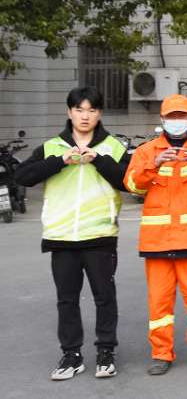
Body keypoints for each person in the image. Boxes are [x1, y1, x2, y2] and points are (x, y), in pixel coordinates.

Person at [16, 87, 129, 381]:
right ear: (69, 112)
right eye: (79, 110)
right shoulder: (51, 147)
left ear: (99, 114)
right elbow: (22, 176)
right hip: (62, 237)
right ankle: (71, 355)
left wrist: (98, 160)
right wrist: (60, 161)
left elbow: (130, 182)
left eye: (91, 110)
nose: (85, 116)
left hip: (100, 235)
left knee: (105, 297)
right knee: (67, 300)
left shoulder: (113, 147)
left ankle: (106, 352)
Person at [124, 94, 187, 375]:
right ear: (162, 119)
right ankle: (161, 353)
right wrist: (153, 164)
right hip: (157, 241)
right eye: (171, 116)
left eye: (181, 116)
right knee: (159, 302)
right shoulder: (146, 151)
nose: (177, 121)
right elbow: (132, 185)